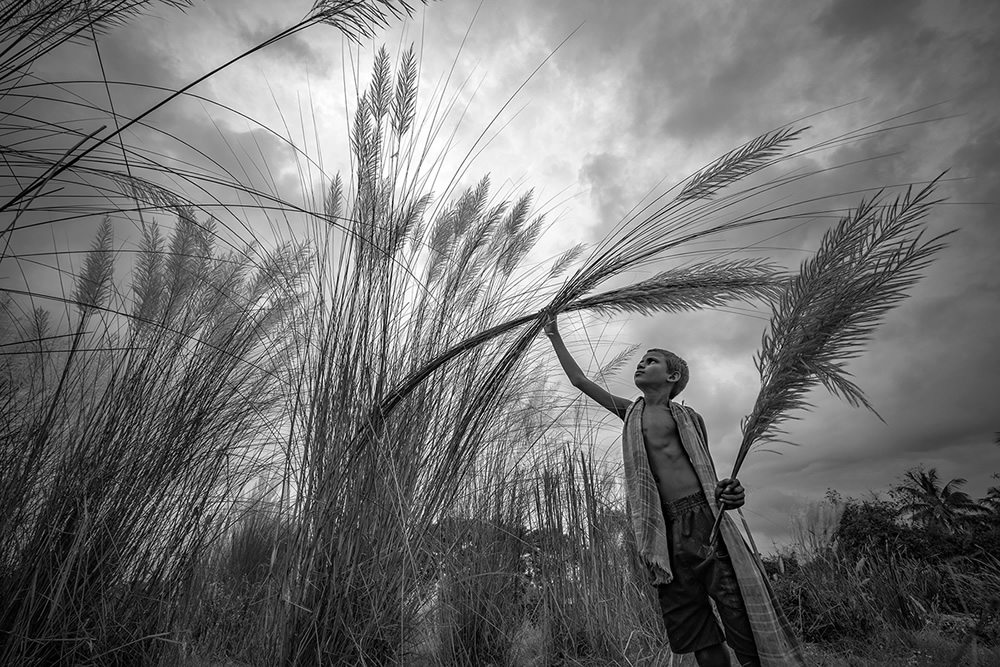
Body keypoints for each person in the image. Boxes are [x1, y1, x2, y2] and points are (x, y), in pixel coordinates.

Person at [542, 314, 805, 667]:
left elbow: (707, 474)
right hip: (661, 530)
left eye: (652, 361)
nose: (642, 363)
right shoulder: (630, 412)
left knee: (736, 611)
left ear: (672, 376)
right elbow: (579, 380)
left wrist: (730, 493)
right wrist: (554, 333)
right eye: (642, 359)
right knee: (692, 624)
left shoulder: (689, 418)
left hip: (703, 520)